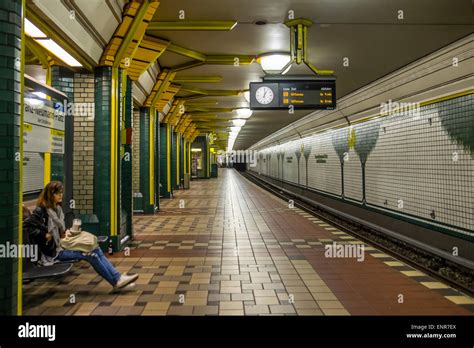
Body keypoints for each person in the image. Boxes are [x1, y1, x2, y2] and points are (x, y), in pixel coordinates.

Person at [23, 181, 138, 291]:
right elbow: (27, 225)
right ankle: (116, 281)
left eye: (61, 192)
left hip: (62, 245)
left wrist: (68, 232)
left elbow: (59, 231)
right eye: (57, 193)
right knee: (91, 255)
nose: (60, 195)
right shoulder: (41, 211)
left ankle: (117, 277)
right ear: (50, 194)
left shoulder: (57, 209)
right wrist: (44, 234)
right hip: (53, 253)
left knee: (95, 248)